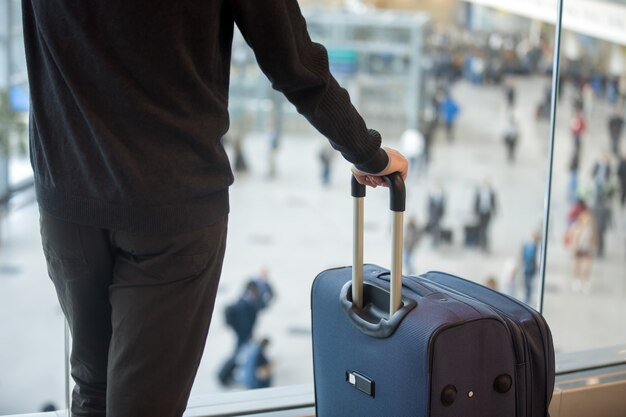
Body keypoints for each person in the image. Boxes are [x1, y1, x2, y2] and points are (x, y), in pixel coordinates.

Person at [22, 2, 409, 415]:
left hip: (67, 196)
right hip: (171, 207)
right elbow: (293, 61)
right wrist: (367, 153)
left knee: (92, 389)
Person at [474, 178, 498, 253]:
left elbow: (494, 203)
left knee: (486, 229)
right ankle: (481, 243)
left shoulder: (491, 193)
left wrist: (494, 212)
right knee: (481, 229)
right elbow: (476, 203)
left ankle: (485, 244)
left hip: (487, 213)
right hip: (481, 213)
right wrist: (475, 212)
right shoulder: (479, 192)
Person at [521, 231, 541, 305]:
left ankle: (528, 297)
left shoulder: (535, 246)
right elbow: (523, 255)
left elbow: (536, 258)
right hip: (527, 267)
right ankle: (526, 296)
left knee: (529, 283)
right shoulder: (527, 245)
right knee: (526, 283)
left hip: (531, 268)